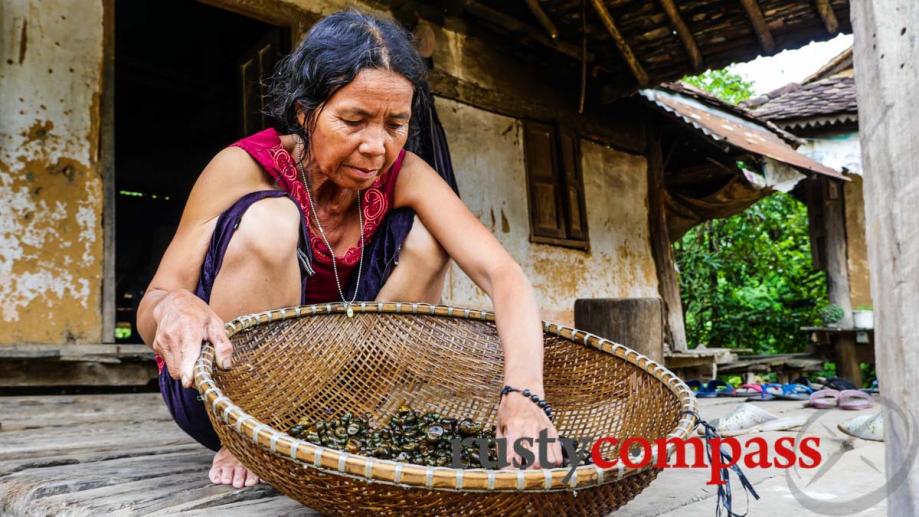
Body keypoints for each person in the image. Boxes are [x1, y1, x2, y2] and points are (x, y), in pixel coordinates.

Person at [136, 10, 562, 489]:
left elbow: (502, 275)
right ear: (304, 112)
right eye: (353, 121)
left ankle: (359, 423)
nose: (375, 147)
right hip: (221, 393)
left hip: (338, 395)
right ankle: (249, 434)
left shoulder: (405, 174)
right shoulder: (241, 166)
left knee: (429, 239)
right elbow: (152, 305)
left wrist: (524, 394)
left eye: (395, 124)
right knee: (271, 220)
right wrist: (174, 305)